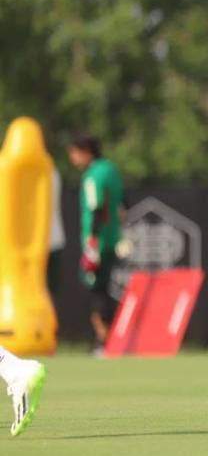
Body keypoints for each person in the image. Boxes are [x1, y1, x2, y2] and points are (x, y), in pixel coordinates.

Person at [68, 134, 125, 353]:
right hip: (112, 239)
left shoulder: (93, 175)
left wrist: (92, 243)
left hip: (98, 243)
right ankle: (109, 340)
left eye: (74, 152)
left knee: (97, 291)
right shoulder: (111, 170)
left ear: (86, 151)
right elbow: (122, 205)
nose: (72, 158)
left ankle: (104, 342)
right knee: (105, 288)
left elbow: (96, 207)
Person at [0, 345, 46, 437]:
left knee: (17, 383)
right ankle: (27, 370)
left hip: (19, 379)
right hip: (33, 367)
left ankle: (21, 377)